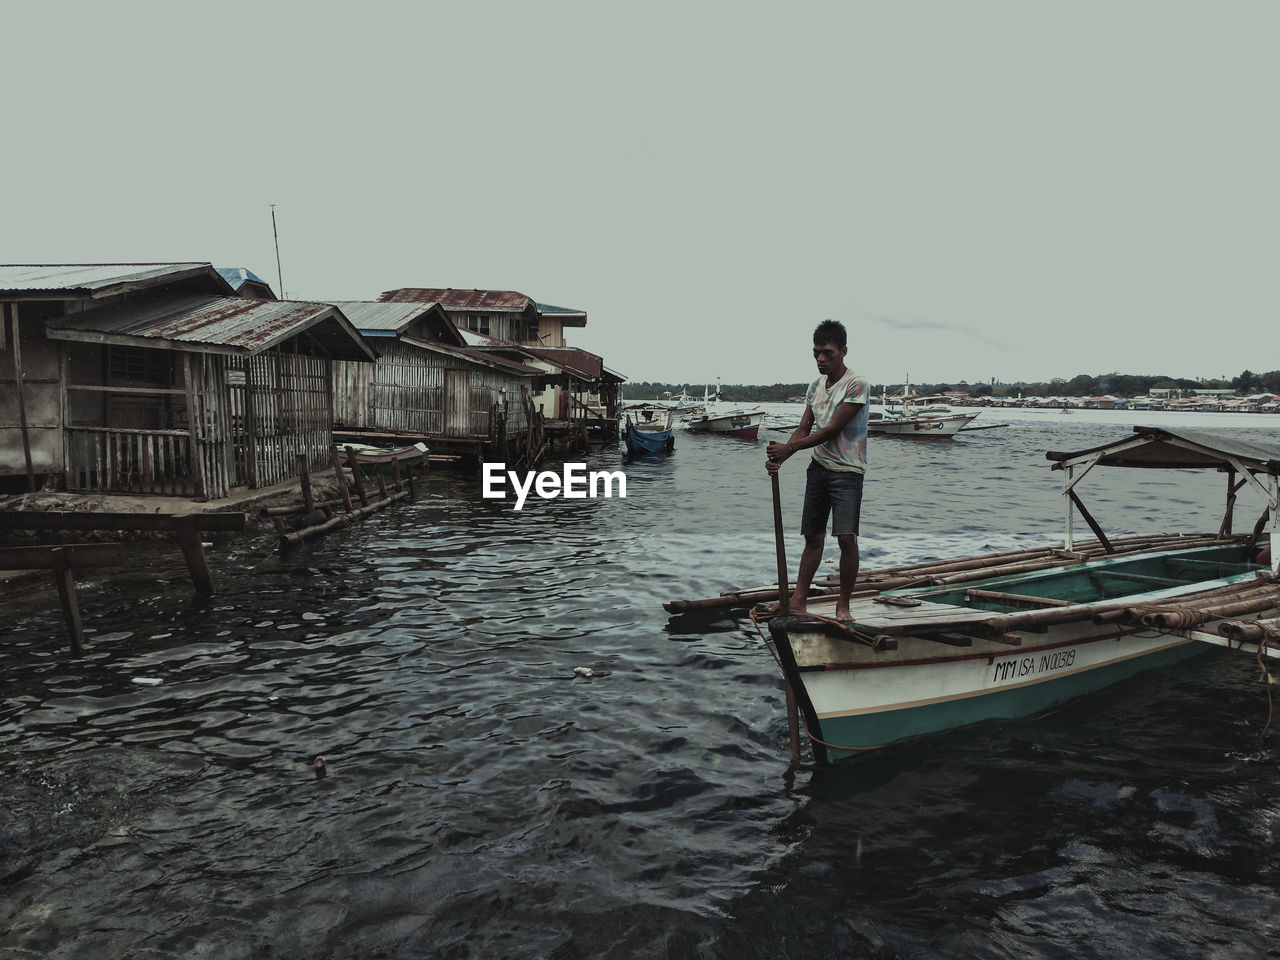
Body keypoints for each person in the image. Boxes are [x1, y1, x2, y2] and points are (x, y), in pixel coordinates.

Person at [765, 319, 869, 621]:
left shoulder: (856, 384)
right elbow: (805, 427)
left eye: (827, 353)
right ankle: (798, 599)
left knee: (846, 538)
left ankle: (843, 605)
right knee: (813, 536)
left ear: (843, 351)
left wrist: (790, 449)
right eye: (816, 353)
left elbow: (833, 429)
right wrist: (780, 458)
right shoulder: (815, 386)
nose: (821, 359)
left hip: (848, 471)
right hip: (819, 468)